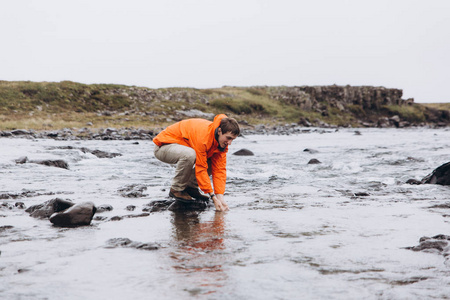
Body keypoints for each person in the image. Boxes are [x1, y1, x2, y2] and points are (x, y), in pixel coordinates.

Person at [153, 114, 240, 211]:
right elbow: (201, 167)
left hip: (181, 147)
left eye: (232, 139)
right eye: (228, 138)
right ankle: (176, 189)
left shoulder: (220, 145)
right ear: (219, 131)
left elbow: (219, 170)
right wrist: (212, 196)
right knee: (190, 155)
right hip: (163, 147)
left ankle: (191, 187)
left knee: (212, 161)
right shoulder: (204, 137)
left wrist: (220, 197)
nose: (230, 143)